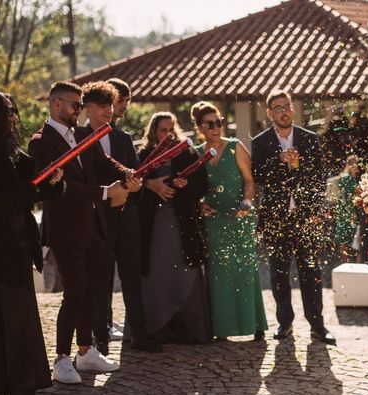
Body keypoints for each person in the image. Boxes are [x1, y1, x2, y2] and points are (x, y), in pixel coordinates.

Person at [28, 81, 139, 384]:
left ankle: (86, 350)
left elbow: (105, 162)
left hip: (94, 226)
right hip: (65, 229)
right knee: (75, 290)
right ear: (56, 105)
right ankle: (62, 357)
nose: (79, 110)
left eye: (80, 105)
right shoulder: (41, 141)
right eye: (75, 105)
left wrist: (126, 174)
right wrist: (105, 194)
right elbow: (61, 189)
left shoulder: (81, 134)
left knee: (93, 290)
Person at [0, 92, 64, 395]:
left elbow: (38, 184)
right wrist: (28, 190)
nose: (14, 118)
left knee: (19, 318)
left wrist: (55, 182)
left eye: (13, 111)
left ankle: (22, 385)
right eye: (8, 113)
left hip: (15, 247)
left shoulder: (13, 153)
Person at [80, 79, 161, 354]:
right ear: (87, 108)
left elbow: (136, 173)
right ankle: (99, 340)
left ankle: (139, 334)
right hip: (96, 222)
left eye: (110, 106)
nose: (109, 111)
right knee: (100, 282)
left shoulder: (123, 138)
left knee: (132, 279)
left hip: (127, 221)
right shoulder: (77, 138)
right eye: (102, 106)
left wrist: (136, 185)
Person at [251, 89, 335, 345]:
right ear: (269, 113)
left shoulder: (309, 138)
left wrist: (315, 210)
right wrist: (278, 160)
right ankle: (284, 323)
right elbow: (258, 177)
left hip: (306, 217)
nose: (284, 111)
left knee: (312, 271)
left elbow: (320, 177)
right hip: (276, 218)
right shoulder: (261, 142)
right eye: (278, 107)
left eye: (287, 106)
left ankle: (317, 326)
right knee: (278, 273)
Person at [192, 101, 267, 341]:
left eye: (219, 122)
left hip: (240, 217)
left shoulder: (235, 147)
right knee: (218, 271)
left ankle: (256, 326)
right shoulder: (196, 153)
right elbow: (195, 189)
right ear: (199, 127)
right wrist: (199, 204)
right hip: (213, 220)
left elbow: (249, 180)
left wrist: (246, 203)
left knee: (244, 268)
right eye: (210, 124)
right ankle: (221, 329)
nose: (216, 127)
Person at [138, 112, 212, 344]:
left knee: (186, 273)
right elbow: (134, 186)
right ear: (153, 132)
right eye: (162, 130)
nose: (168, 134)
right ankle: (158, 328)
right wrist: (152, 187)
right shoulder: (143, 155)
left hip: (183, 224)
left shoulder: (187, 153)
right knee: (158, 275)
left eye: (171, 129)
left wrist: (185, 185)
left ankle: (189, 329)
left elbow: (201, 186)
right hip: (155, 225)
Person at [333, 155, 360, 263]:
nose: (355, 166)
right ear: (348, 165)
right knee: (346, 241)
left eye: (356, 164)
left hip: (348, 213)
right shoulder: (346, 179)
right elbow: (347, 198)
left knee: (354, 241)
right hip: (348, 213)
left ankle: (351, 265)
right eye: (353, 164)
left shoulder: (352, 179)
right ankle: (346, 265)